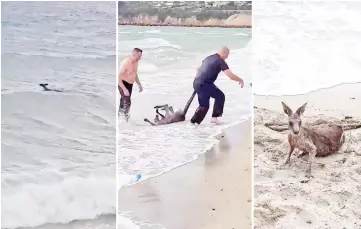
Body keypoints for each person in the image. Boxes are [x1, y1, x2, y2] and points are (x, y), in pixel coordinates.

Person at [190, 46, 244, 125]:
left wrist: (198, 79)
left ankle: (192, 123)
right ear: (224, 53)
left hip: (197, 82)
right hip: (205, 84)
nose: (227, 57)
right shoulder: (220, 61)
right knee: (220, 96)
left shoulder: (208, 58)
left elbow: (198, 69)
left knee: (203, 106)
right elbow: (230, 75)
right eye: (227, 55)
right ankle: (214, 118)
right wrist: (240, 80)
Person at [118, 48, 144, 121]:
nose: (140, 58)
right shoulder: (125, 63)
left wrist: (139, 84)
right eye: (139, 56)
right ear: (133, 54)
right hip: (122, 83)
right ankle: (126, 120)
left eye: (140, 56)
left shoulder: (136, 61)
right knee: (127, 101)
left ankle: (119, 118)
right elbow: (118, 78)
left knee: (124, 101)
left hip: (130, 84)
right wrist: (124, 89)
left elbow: (134, 73)